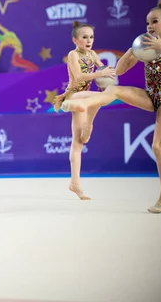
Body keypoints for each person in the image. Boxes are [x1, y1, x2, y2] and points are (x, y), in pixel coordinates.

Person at [62, 0, 161, 213]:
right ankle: (84, 106)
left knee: (158, 146)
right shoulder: (144, 47)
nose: (149, 26)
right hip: (150, 95)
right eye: (147, 23)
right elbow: (119, 72)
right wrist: (132, 51)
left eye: (154, 22)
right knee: (114, 90)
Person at [53, 21, 116, 200]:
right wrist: (99, 75)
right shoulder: (73, 55)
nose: (89, 40)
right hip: (73, 95)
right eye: (84, 37)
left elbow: (103, 69)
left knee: (78, 143)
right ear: (75, 40)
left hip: (84, 99)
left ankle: (75, 183)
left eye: (91, 37)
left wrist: (110, 73)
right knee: (98, 97)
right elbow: (79, 76)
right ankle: (88, 121)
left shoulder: (93, 54)